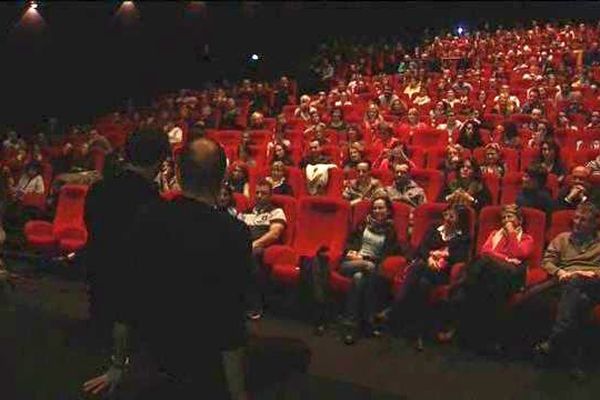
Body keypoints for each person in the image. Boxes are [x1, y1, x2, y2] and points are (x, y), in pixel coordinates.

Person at [83, 129, 170, 347]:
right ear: (161, 160)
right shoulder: (154, 203)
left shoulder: (97, 190)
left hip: (99, 296)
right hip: (133, 318)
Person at [380, 204, 472, 350]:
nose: (447, 219)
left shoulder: (463, 237)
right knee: (423, 284)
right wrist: (429, 257)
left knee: (417, 269)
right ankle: (419, 333)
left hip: (443, 273)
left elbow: (460, 258)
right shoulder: (434, 228)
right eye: (446, 215)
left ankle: (395, 308)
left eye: (452, 217)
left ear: (459, 221)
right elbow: (421, 248)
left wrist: (444, 256)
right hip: (424, 269)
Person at [448, 204, 533, 352]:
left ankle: (462, 285)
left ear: (519, 220)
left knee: (483, 264)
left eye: (510, 217)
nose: (506, 221)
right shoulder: (495, 234)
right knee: (484, 267)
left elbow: (518, 254)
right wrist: (504, 257)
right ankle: (479, 338)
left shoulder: (527, 238)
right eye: (504, 218)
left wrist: (511, 233)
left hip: (512, 275)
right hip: (491, 274)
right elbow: (485, 251)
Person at [533, 202, 600, 377]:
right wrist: (560, 271)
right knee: (580, 301)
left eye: (584, 220)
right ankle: (573, 361)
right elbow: (547, 261)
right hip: (566, 282)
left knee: (578, 285)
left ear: (594, 224)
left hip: (593, 283)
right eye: (576, 218)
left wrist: (590, 273)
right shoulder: (562, 239)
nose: (577, 223)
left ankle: (554, 341)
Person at [340, 194, 403, 345]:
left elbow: (394, 253)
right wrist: (353, 254)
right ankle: (369, 321)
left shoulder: (390, 231)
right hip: (352, 262)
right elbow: (350, 244)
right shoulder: (363, 224)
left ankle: (351, 326)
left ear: (388, 211)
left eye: (381, 208)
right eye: (374, 208)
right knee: (365, 268)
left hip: (372, 267)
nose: (377, 211)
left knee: (359, 278)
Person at [239, 179, 287, 319]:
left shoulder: (276, 211)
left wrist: (255, 244)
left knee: (252, 255)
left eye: (264, 193)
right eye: (257, 193)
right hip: (245, 245)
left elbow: (274, 234)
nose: (259, 196)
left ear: (270, 195)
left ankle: (255, 304)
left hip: (263, 247)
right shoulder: (247, 212)